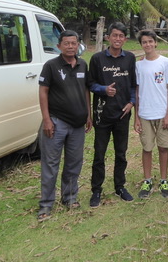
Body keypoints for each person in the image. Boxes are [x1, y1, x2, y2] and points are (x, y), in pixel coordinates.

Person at [37, 30, 92, 221]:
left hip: (77, 125)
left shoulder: (83, 65)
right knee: (51, 164)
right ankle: (46, 205)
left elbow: (86, 90)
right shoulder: (51, 66)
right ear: (59, 46)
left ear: (78, 45)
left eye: (74, 43)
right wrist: (46, 119)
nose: (70, 46)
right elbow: (43, 92)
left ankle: (69, 198)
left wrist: (88, 114)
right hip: (56, 122)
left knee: (74, 163)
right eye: (66, 43)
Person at [88, 22, 136, 207]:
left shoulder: (130, 58)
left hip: (122, 114)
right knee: (99, 154)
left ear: (125, 39)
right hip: (102, 114)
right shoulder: (97, 59)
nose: (117, 39)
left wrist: (131, 102)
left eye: (121, 36)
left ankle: (120, 187)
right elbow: (90, 84)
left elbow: (133, 84)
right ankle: (96, 190)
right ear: (108, 37)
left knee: (121, 153)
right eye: (114, 35)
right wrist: (103, 89)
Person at [134, 29, 168, 199]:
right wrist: (136, 117)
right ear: (141, 45)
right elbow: (137, 92)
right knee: (147, 148)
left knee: (163, 147)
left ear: (156, 42)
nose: (148, 45)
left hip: (162, 112)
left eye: (150, 41)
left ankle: (164, 180)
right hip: (145, 113)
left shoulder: (165, 63)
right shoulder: (138, 65)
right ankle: (147, 179)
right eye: (144, 42)